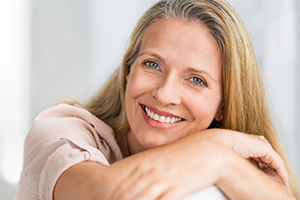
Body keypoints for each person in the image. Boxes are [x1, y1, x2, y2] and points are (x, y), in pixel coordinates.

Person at [15, 0, 299, 199]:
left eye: (196, 80)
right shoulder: (59, 134)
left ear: (224, 105)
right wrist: (213, 150)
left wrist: (221, 161)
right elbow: (111, 196)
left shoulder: (233, 161)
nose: (164, 93)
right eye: (152, 65)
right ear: (128, 70)